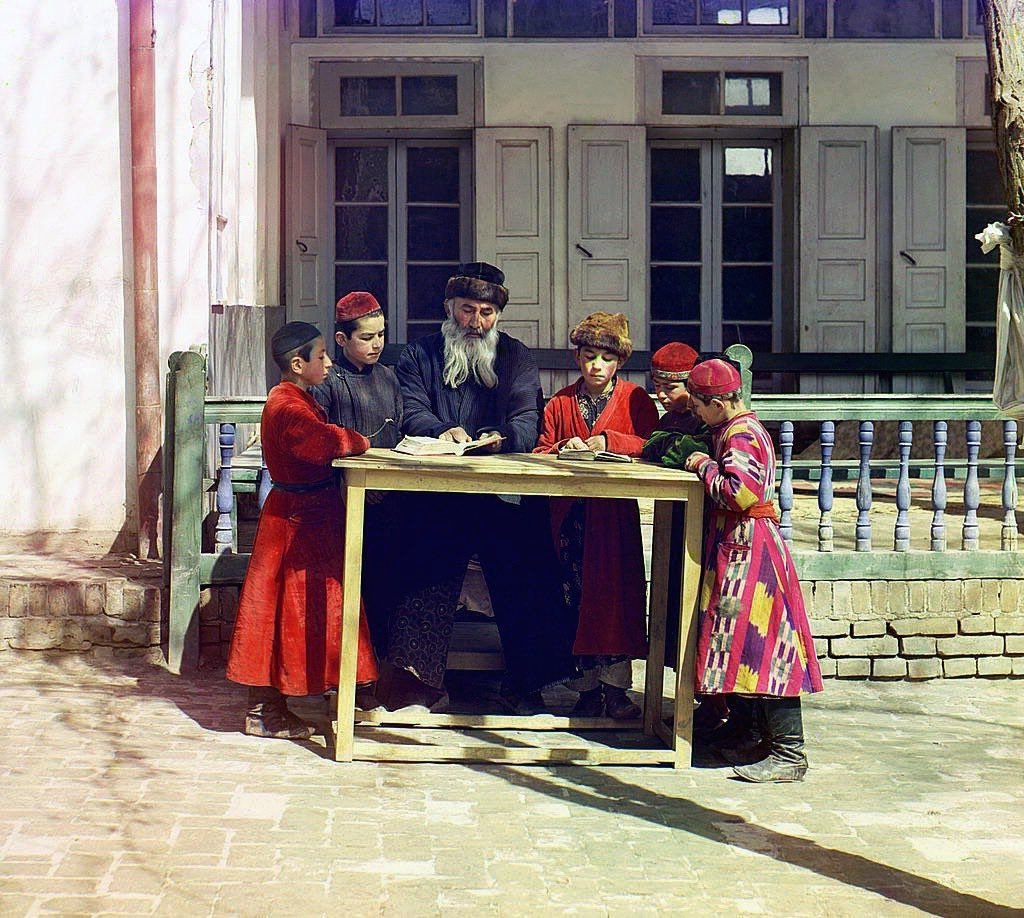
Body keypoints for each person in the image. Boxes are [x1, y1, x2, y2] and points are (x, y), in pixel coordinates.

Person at [380, 262, 576, 714]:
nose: (476, 322)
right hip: (435, 493)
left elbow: (528, 416)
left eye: (487, 313)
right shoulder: (420, 355)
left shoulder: (516, 357)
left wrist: (502, 437)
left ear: (497, 316)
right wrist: (441, 430)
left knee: (527, 558)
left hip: (500, 492)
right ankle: (415, 684)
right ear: (450, 308)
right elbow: (412, 410)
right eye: (467, 310)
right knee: (420, 558)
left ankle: (526, 685)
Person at [226, 321, 379, 740]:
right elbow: (322, 442)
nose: (328, 363)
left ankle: (316, 694)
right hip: (295, 523)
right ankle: (265, 712)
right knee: (280, 612)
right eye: (321, 356)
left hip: (308, 517)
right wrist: (357, 440)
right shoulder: (286, 405)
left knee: (307, 609)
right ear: (298, 363)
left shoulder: (295, 398)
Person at [682, 357, 824, 782]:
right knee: (740, 647)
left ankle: (788, 754)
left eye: (699, 406)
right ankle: (748, 735)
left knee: (767, 648)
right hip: (739, 548)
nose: (697, 414)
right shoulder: (732, 429)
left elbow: (739, 493)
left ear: (719, 403)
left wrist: (703, 465)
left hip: (753, 552)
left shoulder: (742, 434)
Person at [533, 313, 658, 718]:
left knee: (616, 600)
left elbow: (651, 444)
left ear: (619, 361)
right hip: (569, 519)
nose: (596, 366)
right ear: (577, 357)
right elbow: (541, 451)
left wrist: (609, 440)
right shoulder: (560, 403)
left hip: (613, 518)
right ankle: (584, 689)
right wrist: (561, 449)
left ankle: (616, 690)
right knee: (574, 598)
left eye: (606, 358)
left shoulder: (636, 400)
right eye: (589, 356)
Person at [311, 291, 403, 654]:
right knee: (350, 587)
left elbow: (402, 429)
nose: (377, 344)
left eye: (381, 335)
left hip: (391, 502)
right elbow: (320, 442)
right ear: (341, 339)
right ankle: (347, 666)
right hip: (345, 502)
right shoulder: (328, 383)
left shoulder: (389, 378)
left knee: (387, 585)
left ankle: (380, 663)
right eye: (366, 337)